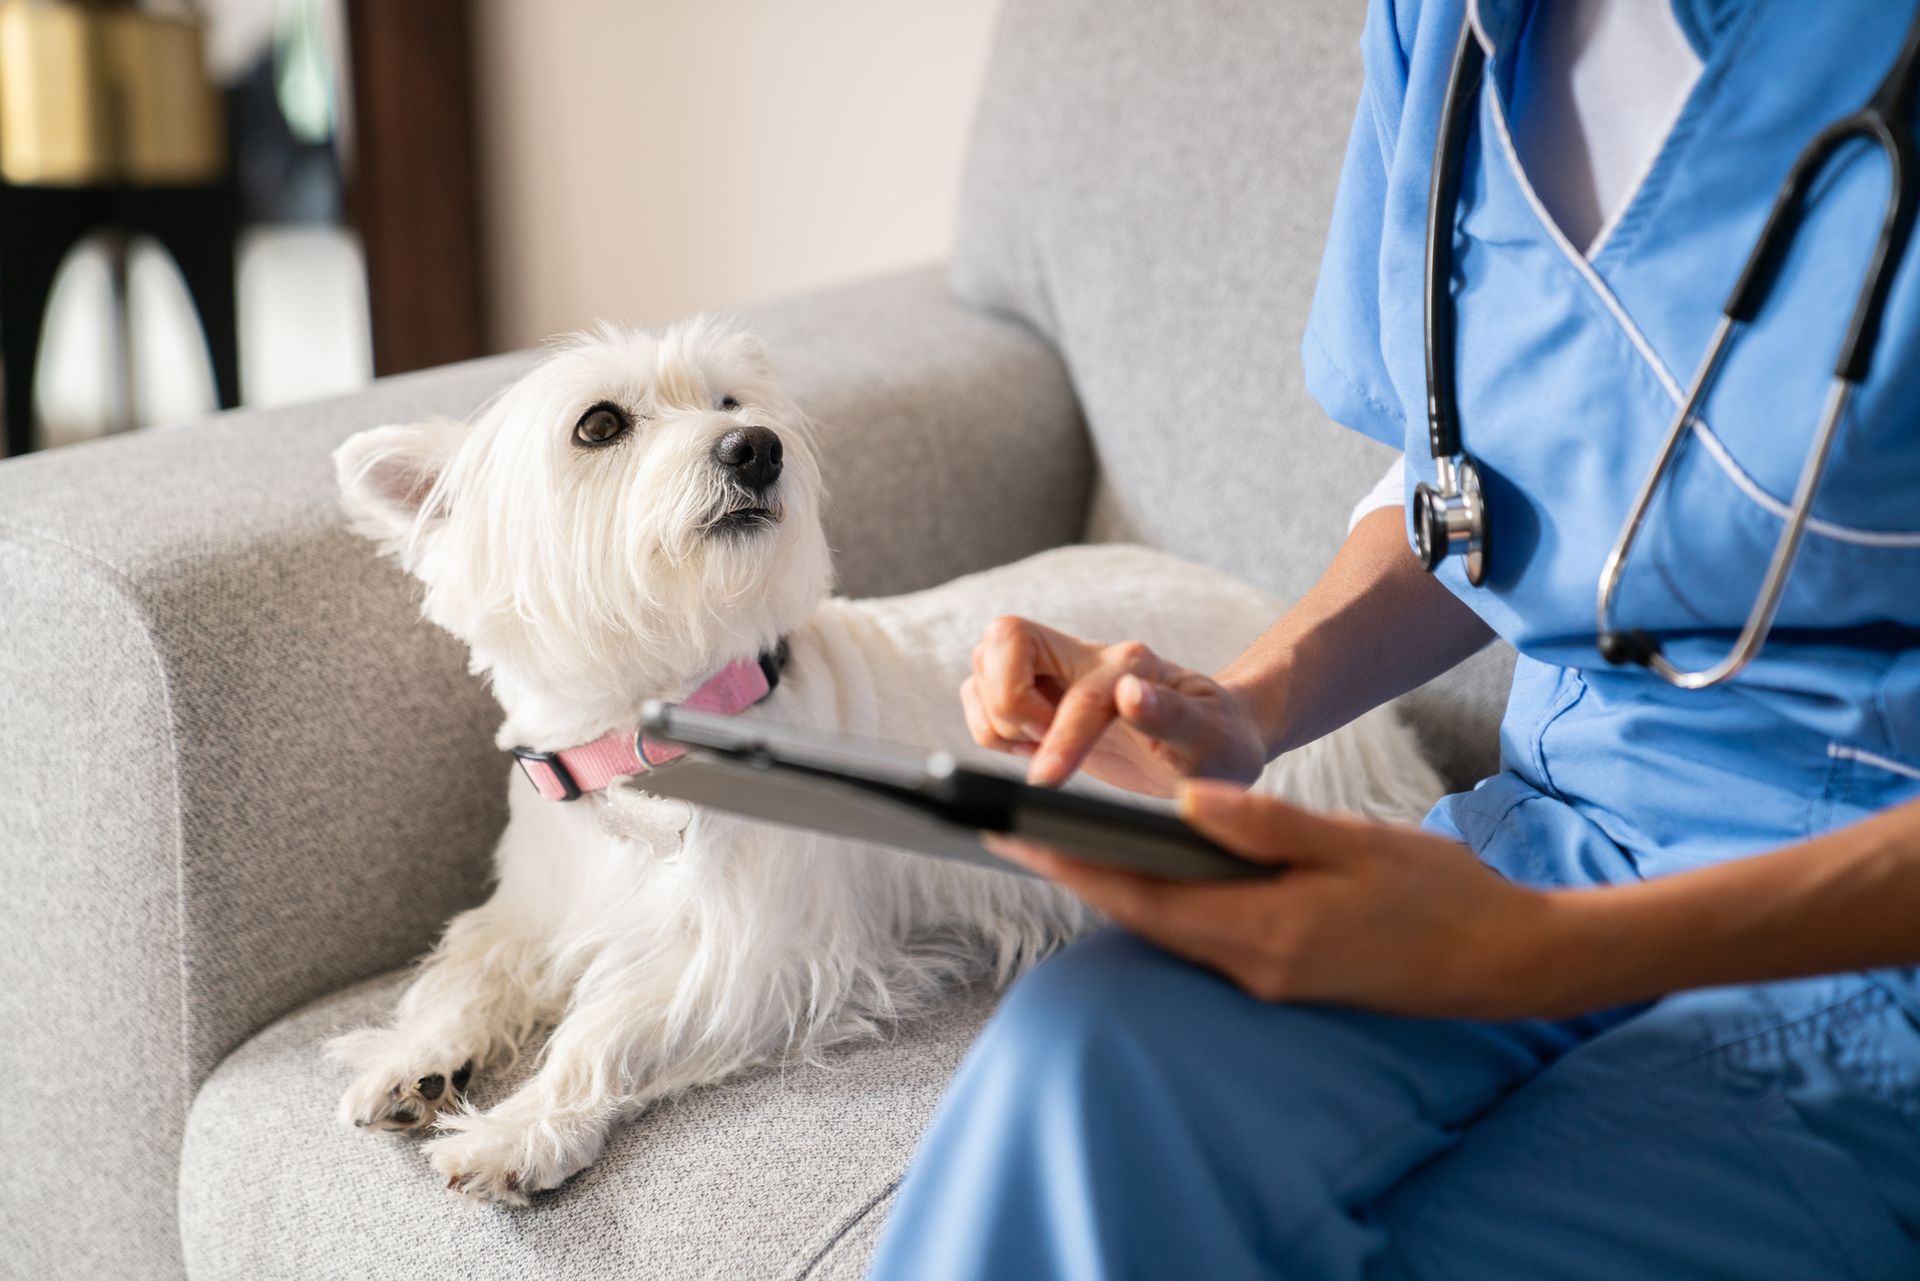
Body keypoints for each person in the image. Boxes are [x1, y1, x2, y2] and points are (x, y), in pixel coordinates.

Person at [865, 1, 1920, 1277]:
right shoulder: (1454, 30)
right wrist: (1244, 706)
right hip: (1565, 841)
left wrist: (1533, 957)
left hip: (1870, 925)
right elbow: (1478, 486)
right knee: (1085, 1050)